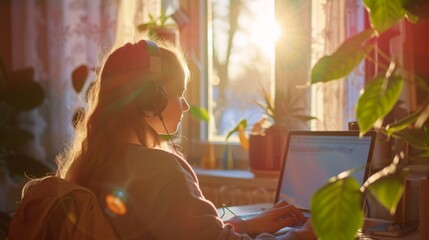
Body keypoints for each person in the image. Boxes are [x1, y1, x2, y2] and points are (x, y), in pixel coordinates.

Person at [53, 38, 317, 239]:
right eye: (179, 93)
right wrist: (306, 234)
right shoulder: (160, 169)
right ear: (150, 98)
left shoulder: (95, 164)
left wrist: (246, 225)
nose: (185, 106)